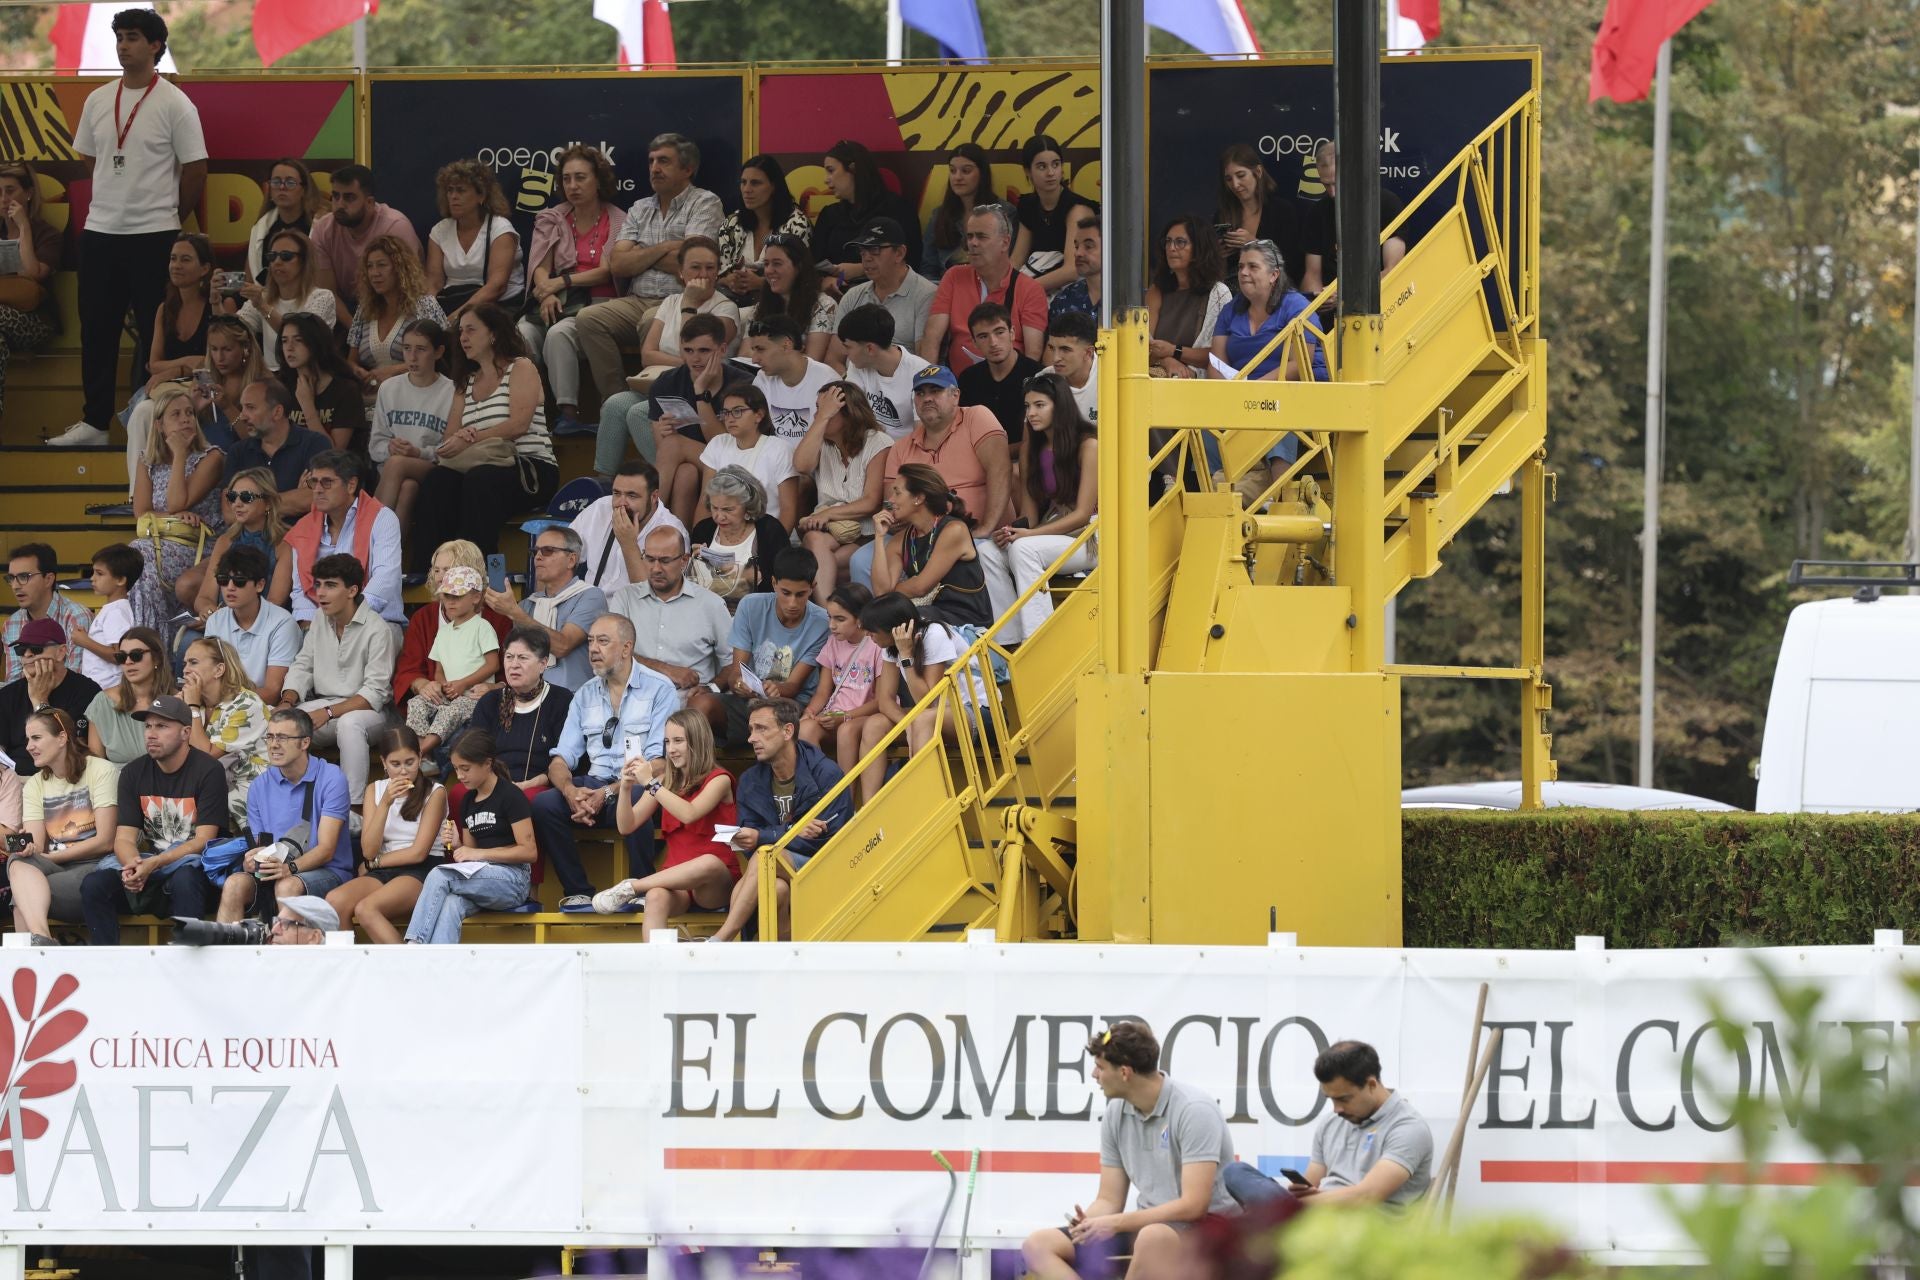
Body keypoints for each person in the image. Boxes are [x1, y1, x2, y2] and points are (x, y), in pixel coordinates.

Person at [52, 7, 207, 449]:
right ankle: (96, 422)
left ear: (156, 46)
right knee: (96, 327)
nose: (123, 45)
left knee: (155, 328)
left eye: (134, 37)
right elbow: (89, 155)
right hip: (101, 232)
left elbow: (196, 168)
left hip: (155, 233)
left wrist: (167, 212)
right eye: (119, 36)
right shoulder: (99, 98)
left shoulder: (176, 103)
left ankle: (154, 422)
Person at [1020, 1020, 1237, 1280]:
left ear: (1124, 1073)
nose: (1094, 1075)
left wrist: (1113, 1223)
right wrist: (1089, 1223)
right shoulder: (1115, 1112)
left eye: (1100, 1067)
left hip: (1207, 1230)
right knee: (1038, 1246)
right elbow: (1109, 1200)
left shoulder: (1194, 1110)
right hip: (1149, 1228)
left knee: (1151, 1237)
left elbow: (1194, 1206)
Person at [850, 364, 1016, 633]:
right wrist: (888, 530)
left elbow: (1001, 470)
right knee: (859, 559)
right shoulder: (902, 447)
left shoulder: (977, 417)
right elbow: (891, 504)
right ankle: (874, 635)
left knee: (983, 550)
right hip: (918, 531)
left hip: (981, 529)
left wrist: (986, 526)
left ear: (956, 396)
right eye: (920, 393)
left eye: (936, 390)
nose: (927, 398)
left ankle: (1006, 637)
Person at [537, 614, 678, 909]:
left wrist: (611, 792)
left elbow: (660, 764)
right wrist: (571, 793)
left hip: (636, 786)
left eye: (603, 641)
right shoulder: (584, 694)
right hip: (594, 786)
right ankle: (578, 890)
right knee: (544, 804)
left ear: (626, 648)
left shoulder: (659, 688)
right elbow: (559, 761)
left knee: (641, 791)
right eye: (590, 641)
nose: (593, 649)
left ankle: (641, 887)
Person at [576, 133, 726, 405]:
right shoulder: (640, 207)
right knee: (589, 319)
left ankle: (657, 405)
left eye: (664, 161)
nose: (654, 168)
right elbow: (618, 265)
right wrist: (666, 247)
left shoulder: (705, 202)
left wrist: (640, 254)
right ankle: (618, 402)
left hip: (680, 300)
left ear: (687, 169)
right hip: (635, 299)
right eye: (652, 161)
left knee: (650, 319)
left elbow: (694, 265)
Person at [413, 305, 560, 559]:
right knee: (436, 483)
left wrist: (471, 437)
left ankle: (476, 572)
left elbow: (519, 425)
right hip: (479, 467)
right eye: (460, 332)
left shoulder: (521, 367)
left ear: (493, 334)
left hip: (530, 468)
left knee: (480, 482)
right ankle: (428, 575)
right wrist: (457, 439)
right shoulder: (466, 381)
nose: (463, 338)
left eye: (471, 330)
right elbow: (449, 439)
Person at [78, 693, 226, 946]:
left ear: (185, 732)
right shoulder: (133, 773)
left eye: (162, 726)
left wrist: (154, 864)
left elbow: (204, 841)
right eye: (148, 726)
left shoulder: (208, 770)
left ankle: (187, 962)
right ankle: (106, 964)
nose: (151, 733)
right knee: (94, 884)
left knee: (185, 878)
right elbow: (124, 837)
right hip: (150, 871)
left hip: (193, 871)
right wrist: (134, 867)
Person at [707, 697, 851, 943]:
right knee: (776, 887)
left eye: (761, 729)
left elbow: (831, 837)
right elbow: (746, 838)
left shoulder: (825, 773)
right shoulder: (751, 781)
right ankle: (781, 953)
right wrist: (793, 831)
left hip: (824, 866)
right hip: (774, 869)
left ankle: (724, 938)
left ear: (787, 731)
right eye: (751, 730)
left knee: (766, 855)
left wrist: (768, 836)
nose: (752, 738)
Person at [591, 709, 737, 935]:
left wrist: (650, 782)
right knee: (656, 895)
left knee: (709, 862)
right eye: (667, 742)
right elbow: (626, 826)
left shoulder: (719, 779)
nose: (671, 749)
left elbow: (689, 813)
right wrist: (627, 786)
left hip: (713, 884)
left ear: (697, 742)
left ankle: (632, 887)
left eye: (678, 741)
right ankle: (655, 965)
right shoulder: (663, 781)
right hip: (676, 880)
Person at [517, 144, 625, 436]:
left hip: (599, 303)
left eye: (581, 177)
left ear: (598, 179)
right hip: (555, 300)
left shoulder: (617, 219)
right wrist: (548, 291)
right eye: (566, 179)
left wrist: (562, 282)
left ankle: (568, 415)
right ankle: (529, 414)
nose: (573, 186)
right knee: (522, 334)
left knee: (559, 334)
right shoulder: (553, 217)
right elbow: (540, 266)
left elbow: (606, 270)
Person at [279, 553, 398, 807]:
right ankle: (286, 801)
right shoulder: (320, 619)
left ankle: (351, 807)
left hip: (369, 713)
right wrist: (288, 701)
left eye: (330, 585)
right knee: (281, 724)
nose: (321, 593)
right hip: (325, 706)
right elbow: (303, 666)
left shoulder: (378, 629)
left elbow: (374, 694)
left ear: (352, 590)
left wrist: (330, 712)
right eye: (318, 584)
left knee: (350, 725)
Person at [217, 706, 352, 921]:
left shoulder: (331, 778)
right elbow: (262, 846)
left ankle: (286, 952)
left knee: (287, 886)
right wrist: (253, 862)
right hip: (277, 871)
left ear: (304, 743)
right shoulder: (259, 786)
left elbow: (326, 850)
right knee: (234, 884)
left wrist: (288, 869)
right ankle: (227, 952)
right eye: (269, 737)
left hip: (327, 871)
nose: (273, 744)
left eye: (282, 737)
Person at [404, 727, 539, 942]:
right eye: (456, 769)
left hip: (513, 880)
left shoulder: (510, 795)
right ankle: (439, 969)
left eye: (465, 768)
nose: (459, 775)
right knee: (450, 903)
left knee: (440, 874)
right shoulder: (468, 800)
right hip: (482, 878)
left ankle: (415, 944)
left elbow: (529, 852)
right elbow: (471, 854)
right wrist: (458, 846)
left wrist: (477, 854)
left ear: (487, 763)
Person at [1209, 238, 1326, 477]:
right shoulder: (1230, 310)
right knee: (1206, 421)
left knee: (1274, 408)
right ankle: (1217, 491)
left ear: (1274, 275)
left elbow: (1298, 364)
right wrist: (1228, 393)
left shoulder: (1296, 305)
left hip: (1292, 392)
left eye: (1253, 267)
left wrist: (1255, 391)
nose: (1243, 273)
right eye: (1241, 267)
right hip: (1240, 395)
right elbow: (1215, 362)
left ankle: (1277, 493)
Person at [995, 372, 1098, 640]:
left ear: (1059, 406)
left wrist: (1029, 535)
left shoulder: (1088, 444)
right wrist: (1012, 531)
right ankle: (1010, 638)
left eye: (1040, 405)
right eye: (1028, 406)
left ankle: (1041, 638)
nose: (1031, 413)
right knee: (987, 551)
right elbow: (1029, 516)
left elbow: (1082, 514)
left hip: (1093, 536)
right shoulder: (1034, 449)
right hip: (1054, 533)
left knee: (1024, 549)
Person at [327, 725, 450, 943]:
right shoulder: (375, 790)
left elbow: (418, 853)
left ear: (420, 757)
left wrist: (374, 864)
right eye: (395, 764)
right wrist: (385, 804)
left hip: (421, 870)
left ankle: (405, 974)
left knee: (367, 909)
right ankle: (350, 971)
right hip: (385, 867)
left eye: (409, 762)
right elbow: (368, 849)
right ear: (383, 763)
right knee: (335, 901)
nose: (403, 771)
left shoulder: (435, 792)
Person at [5, 709, 118, 946]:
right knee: (18, 859)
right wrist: (28, 849)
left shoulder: (100, 770)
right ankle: (42, 940)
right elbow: (34, 843)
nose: (28, 746)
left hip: (95, 867)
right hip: (55, 865)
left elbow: (106, 841)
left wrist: (52, 857)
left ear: (62, 738)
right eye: (27, 740)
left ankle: (37, 953)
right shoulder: (35, 784)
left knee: (22, 897)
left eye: (36, 738)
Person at [606, 526, 731, 728]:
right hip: (632, 702)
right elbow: (612, 653)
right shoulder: (625, 598)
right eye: (649, 559)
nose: (656, 568)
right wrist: (665, 669)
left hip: (686, 709)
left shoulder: (711, 604)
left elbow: (732, 663)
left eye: (665, 561)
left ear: (684, 560)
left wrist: (712, 687)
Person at [130, 382, 224, 647]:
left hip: (199, 547)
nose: (185, 420)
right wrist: (173, 517)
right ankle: (152, 642)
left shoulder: (211, 457)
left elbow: (175, 502)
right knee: (137, 557)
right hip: (159, 544)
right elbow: (141, 513)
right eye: (176, 415)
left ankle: (149, 644)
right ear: (159, 425)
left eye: (189, 414)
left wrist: (181, 454)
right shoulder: (147, 460)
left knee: (139, 556)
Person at [123, 313, 261, 488]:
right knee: (146, 413)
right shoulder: (205, 374)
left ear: (245, 348)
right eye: (214, 349)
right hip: (191, 466)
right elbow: (186, 436)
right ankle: (138, 496)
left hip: (232, 473)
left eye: (227, 349)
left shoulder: (259, 383)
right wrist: (192, 409)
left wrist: (227, 407)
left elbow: (257, 443)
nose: (219, 358)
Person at [1298, 1040, 1433, 1206]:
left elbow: (1366, 1197)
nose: (1336, 1109)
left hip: (1376, 1229)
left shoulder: (1409, 1128)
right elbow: (1311, 1183)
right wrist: (1296, 1194)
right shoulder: (1329, 1123)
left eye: (1343, 1099)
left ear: (1371, 1084)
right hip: (1326, 1222)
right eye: (1330, 1099)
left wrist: (1301, 1203)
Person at [719, 546, 830, 743]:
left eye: (801, 594)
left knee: (775, 713)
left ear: (813, 587)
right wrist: (739, 685)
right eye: (785, 592)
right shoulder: (750, 606)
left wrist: (775, 689)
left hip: (789, 705)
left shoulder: (822, 622)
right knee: (700, 705)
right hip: (748, 701)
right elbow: (736, 672)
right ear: (773, 583)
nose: (792, 603)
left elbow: (794, 686)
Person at [283, 449, 404, 627]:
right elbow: (300, 591)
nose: (317, 490)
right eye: (314, 482)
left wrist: (348, 618)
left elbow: (385, 578)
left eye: (326, 482)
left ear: (351, 485)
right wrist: (312, 627)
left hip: (376, 622)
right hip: (321, 624)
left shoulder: (382, 518)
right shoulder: (303, 527)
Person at [921, 204, 1047, 373]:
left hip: (1008, 387)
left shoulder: (1030, 288)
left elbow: (1034, 352)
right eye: (970, 236)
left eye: (981, 237)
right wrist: (930, 382)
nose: (972, 243)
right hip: (957, 387)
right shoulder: (954, 276)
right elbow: (932, 338)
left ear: (1005, 242)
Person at [391, 540, 512, 713]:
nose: (440, 577)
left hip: (478, 704)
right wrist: (424, 684)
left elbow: (508, 671)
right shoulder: (423, 618)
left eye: (448, 570)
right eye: (437, 570)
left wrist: (494, 688)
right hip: (438, 702)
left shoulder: (497, 618)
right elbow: (409, 668)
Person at [871, 463, 994, 631]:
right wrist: (879, 537)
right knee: (876, 618)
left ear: (918, 498)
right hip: (930, 613)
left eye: (897, 493)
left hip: (966, 619)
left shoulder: (954, 530)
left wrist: (893, 592)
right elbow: (881, 592)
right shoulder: (899, 540)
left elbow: (920, 587)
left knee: (905, 620)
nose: (890, 500)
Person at [795, 381, 889, 601]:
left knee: (809, 566)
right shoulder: (822, 442)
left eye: (827, 408)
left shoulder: (877, 442)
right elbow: (801, 465)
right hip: (827, 532)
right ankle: (829, 613)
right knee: (816, 544)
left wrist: (826, 514)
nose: (819, 413)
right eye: (818, 408)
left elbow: (872, 502)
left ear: (849, 413)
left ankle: (826, 614)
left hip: (865, 534)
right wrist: (823, 419)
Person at [482, 526, 606, 692]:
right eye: (535, 551)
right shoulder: (527, 604)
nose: (538, 557)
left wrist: (514, 613)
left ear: (571, 560)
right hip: (531, 698)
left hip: (574, 697)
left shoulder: (591, 596)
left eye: (548, 551)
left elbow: (563, 645)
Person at [635, 315, 733, 519]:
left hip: (734, 462)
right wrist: (662, 431)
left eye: (704, 351)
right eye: (688, 350)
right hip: (693, 464)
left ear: (722, 350)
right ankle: (680, 537)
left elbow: (726, 448)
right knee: (685, 473)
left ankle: (646, 520)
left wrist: (700, 393)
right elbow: (663, 452)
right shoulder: (665, 384)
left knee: (674, 444)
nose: (695, 359)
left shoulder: (741, 384)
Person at [1302, 140, 1408, 325]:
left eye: (1337, 183)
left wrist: (1345, 296)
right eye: (1326, 185)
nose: (1332, 192)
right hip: (1329, 321)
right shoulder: (1317, 212)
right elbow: (1312, 274)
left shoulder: (1386, 204)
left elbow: (1393, 270)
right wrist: (1318, 299)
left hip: (1378, 314)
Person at [369, 317, 456, 536]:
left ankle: (365, 537)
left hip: (433, 468)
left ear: (438, 352)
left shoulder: (452, 392)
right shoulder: (388, 389)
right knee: (408, 489)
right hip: (392, 474)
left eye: (421, 349)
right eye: (407, 349)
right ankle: (391, 562)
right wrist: (389, 447)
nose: (412, 357)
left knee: (398, 464)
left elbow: (451, 451)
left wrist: (418, 452)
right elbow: (375, 446)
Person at [404, 564, 502, 757]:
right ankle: (422, 755)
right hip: (450, 694)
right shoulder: (443, 632)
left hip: (473, 697)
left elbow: (493, 664)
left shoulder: (482, 626)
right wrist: (442, 685)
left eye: (457, 596)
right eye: (446, 596)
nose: (450, 601)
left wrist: (463, 683)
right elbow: (439, 668)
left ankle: (421, 751)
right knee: (416, 702)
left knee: (451, 711)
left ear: (475, 597)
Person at [179, 635, 270, 830]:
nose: (185, 669)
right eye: (185, 663)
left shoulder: (246, 703)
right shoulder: (196, 703)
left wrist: (191, 707)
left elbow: (208, 756)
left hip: (250, 790)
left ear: (219, 669)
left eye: (193, 662)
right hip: (213, 787)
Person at [469, 626, 574, 793]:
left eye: (523, 658)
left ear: (543, 664)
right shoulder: (489, 701)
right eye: (509, 657)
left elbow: (568, 756)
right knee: (459, 793)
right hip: (492, 784)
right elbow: (474, 752)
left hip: (540, 785)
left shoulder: (561, 700)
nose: (514, 665)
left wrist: (537, 781)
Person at [308, 164, 422, 312]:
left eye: (349, 197)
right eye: (336, 196)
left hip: (393, 305)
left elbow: (407, 289)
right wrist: (354, 330)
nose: (339, 204)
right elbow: (327, 295)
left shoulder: (395, 227)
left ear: (369, 203)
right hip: (344, 308)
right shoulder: (322, 229)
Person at [0, 160, 62, 423]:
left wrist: (23, 226)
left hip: (34, 321)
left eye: (10, 190)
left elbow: (34, 273)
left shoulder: (46, 234)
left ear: (27, 193)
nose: (4, 198)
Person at [810, 140, 921, 287]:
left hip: (887, 292)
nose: (826, 179)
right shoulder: (830, 215)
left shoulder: (897, 209)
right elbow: (812, 264)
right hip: (837, 296)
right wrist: (826, 280)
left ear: (853, 169)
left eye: (831, 170)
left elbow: (912, 260)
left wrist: (861, 269)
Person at [827, 219, 936, 368]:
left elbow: (925, 365)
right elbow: (834, 359)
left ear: (899, 253)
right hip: (855, 384)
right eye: (862, 251)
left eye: (875, 250)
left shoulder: (926, 295)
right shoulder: (853, 295)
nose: (867, 258)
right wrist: (853, 388)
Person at [425, 158, 524, 321]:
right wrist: (431, 318)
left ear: (481, 196)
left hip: (496, 307)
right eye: (450, 190)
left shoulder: (500, 229)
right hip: (451, 303)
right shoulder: (440, 231)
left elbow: (497, 286)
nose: (453, 197)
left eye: (461, 190)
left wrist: (459, 316)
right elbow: (433, 283)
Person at [798, 584, 882, 777]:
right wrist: (810, 712)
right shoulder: (833, 642)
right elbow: (823, 692)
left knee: (846, 730)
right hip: (834, 715)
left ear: (861, 619)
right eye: (830, 617)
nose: (831, 625)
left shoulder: (877, 644)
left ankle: (846, 801)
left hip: (863, 717)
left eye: (840, 619)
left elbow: (880, 701)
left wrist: (846, 716)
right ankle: (821, 791)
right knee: (805, 728)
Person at [571, 460, 690, 595]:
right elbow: (566, 552)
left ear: (654, 497)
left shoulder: (672, 532)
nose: (621, 503)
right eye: (616, 493)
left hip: (634, 612)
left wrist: (628, 544)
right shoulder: (599, 509)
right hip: (590, 605)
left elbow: (654, 598)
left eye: (632, 495)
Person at [203, 544, 300, 705]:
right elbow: (209, 679)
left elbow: (272, 693)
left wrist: (219, 698)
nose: (230, 587)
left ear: (260, 585)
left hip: (264, 710)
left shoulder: (283, 623)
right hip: (221, 706)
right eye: (223, 580)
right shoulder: (215, 620)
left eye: (239, 581)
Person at [346, 234, 446, 389]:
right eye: (370, 266)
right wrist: (357, 371)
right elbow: (351, 360)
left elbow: (440, 355)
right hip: (370, 396)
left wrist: (393, 371)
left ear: (400, 268)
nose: (374, 273)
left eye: (381, 265)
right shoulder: (364, 309)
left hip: (415, 391)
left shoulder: (424, 305)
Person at [127, 232, 214, 408]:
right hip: (171, 387)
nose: (176, 266)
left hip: (207, 386)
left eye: (185, 260)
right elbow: (155, 365)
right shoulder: (164, 309)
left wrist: (174, 370)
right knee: (143, 409)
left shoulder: (218, 305)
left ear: (204, 269)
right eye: (173, 259)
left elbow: (214, 363)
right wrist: (186, 363)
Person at [0, 619, 100, 768]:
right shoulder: (8, 694)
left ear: (61, 652)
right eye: (21, 650)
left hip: (65, 779)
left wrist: (40, 701)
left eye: (35, 648)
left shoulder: (87, 691)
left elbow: (64, 749)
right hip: (14, 779)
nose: (27, 655)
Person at [698, 385, 799, 530]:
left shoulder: (780, 449)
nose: (730, 418)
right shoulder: (717, 444)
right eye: (726, 413)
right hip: (723, 533)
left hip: (766, 533)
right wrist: (699, 541)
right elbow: (705, 501)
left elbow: (788, 510)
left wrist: (775, 546)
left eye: (737, 411)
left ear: (759, 415)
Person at [636, 234, 738, 376]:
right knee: (616, 399)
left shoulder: (726, 308)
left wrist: (689, 304)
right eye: (695, 267)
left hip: (699, 384)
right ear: (681, 272)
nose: (703, 274)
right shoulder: (670, 302)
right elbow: (647, 356)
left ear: (717, 272)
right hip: (660, 380)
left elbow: (694, 355)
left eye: (710, 267)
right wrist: (682, 365)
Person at [237, 228, 336, 373]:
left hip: (310, 376)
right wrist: (216, 302)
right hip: (271, 379)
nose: (277, 262)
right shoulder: (263, 297)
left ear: (304, 262)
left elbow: (303, 338)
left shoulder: (322, 298)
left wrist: (263, 307)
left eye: (286, 256)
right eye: (272, 256)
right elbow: (233, 332)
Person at [226, 378, 327, 519]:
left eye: (250, 407)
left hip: (297, 537)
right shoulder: (238, 451)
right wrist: (291, 499)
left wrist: (248, 506)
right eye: (242, 408)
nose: (242, 416)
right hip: (250, 539)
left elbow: (311, 498)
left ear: (277, 412)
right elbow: (228, 513)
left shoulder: (315, 444)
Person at [691, 465, 790, 607]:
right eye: (714, 508)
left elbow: (784, 583)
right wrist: (695, 565)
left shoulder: (770, 531)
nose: (719, 516)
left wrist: (750, 577)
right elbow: (691, 588)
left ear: (748, 506)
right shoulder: (703, 530)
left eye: (728, 509)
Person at [1147, 215, 1232, 380]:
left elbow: (1219, 357)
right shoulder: (1156, 290)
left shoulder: (1218, 293)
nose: (1171, 248)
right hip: (1158, 378)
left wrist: (1173, 351)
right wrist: (1167, 361)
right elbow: (1143, 347)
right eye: (1168, 241)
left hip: (1199, 385)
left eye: (1180, 242)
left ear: (1198, 250)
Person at [717, 154, 812, 301]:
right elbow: (715, 273)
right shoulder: (732, 223)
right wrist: (729, 280)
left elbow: (803, 277)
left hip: (781, 305)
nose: (747, 189)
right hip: (732, 303)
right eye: (743, 182)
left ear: (774, 186)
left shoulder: (796, 223)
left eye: (755, 183)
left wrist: (761, 283)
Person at [1012, 135, 1098, 294]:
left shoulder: (1077, 209)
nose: (1051, 172)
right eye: (1042, 166)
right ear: (1027, 171)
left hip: (1076, 293)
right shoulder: (1027, 205)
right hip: (1039, 286)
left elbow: (1073, 270)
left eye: (1055, 164)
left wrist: (1023, 290)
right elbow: (1016, 261)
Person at [833, 303, 930, 439]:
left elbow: (922, 435)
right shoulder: (857, 365)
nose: (844, 352)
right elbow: (852, 415)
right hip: (871, 446)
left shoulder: (921, 372)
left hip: (906, 452)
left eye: (848, 347)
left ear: (870, 349)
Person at [957, 302, 1044, 450]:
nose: (993, 342)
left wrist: (998, 455)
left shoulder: (1037, 375)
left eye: (999, 332)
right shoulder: (968, 378)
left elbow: (1044, 437)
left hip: (1025, 460)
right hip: (978, 459)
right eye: (983, 336)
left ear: (1012, 333)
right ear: (974, 342)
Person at [3, 544, 94, 685]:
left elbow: (75, 681)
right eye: (11, 578)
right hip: (25, 702)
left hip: (70, 703)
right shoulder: (11, 623)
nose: (15, 586)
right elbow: (14, 683)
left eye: (23, 577)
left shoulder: (76, 617)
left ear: (48, 579)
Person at [85, 625, 176, 765]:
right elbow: (96, 766)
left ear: (157, 658)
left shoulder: (178, 702)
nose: (128, 662)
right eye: (121, 657)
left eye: (136, 655)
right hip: (116, 784)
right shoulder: (103, 702)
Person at [1218, 142, 1305, 287]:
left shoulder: (1281, 211)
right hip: (1233, 295)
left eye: (1241, 175)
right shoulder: (1223, 215)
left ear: (1258, 172)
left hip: (1275, 293)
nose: (1235, 184)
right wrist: (1217, 255)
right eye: (1228, 179)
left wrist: (1255, 244)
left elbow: (1293, 265)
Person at [278, 311, 366, 453]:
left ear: (316, 342)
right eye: (284, 340)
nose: (289, 347)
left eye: (298, 340)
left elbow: (332, 453)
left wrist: (307, 406)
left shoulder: (346, 390)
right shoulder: (282, 387)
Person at [746, 313, 837, 442]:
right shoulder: (763, 379)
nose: (754, 359)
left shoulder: (827, 381)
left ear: (786, 345)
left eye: (760, 349)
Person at [747, 236, 835, 362]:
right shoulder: (760, 307)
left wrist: (765, 354)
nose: (769, 270)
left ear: (798, 266)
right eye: (766, 264)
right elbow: (745, 352)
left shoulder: (824, 305)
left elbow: (812, 359)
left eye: (777, 263)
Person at [69, 543, 141, 690]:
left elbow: (118, 655)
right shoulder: (113, 609)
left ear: (120, 580)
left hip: (108, 688)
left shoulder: (116, 612)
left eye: (100, 573)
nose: (92, 578)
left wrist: (85, 641)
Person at [244, 157, 325, 287]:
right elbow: (250, 279)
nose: (282, 187)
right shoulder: (260, 228)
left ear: (304, 189)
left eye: (290, 182)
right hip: (266, 299)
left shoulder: (320, 224)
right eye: (276, 182)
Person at [922, 143, 991, 280]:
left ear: (982, 173)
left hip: (989, 289)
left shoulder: (1002, 212)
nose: (957, 177)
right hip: (947, 290)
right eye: (953, 171)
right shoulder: (939, 215)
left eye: (966, 171)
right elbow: (928, 269)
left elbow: (1008, 265)